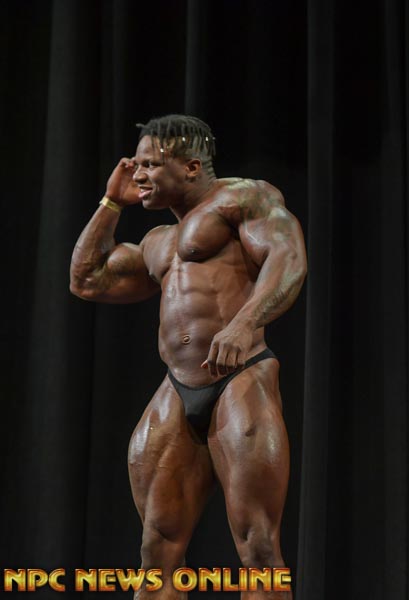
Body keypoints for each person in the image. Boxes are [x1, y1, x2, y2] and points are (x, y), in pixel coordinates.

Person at [70, 115, 307, 599]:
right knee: (156, 550)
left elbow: (288, 259)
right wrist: (111, 203)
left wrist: (244, 323)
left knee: (258, 547)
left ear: (192, 167)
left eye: (150, 165)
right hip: (177, 387)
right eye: (136, 165)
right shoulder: (157, 242)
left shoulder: (243, 199)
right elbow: (87, 280)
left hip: (240, 378)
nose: (139, 174)